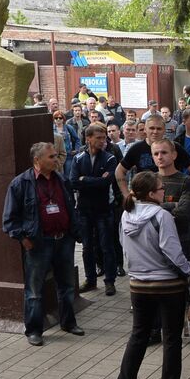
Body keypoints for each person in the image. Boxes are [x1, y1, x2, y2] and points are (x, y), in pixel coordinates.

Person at [111, 171, 190, 379]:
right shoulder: (161, 216)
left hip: (138, 285)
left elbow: (123, 245)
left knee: (138, 334)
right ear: (151, 194)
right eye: (161, 189)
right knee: (171, 338)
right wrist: (187, 269)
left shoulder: (126, 215)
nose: (164, 192)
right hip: (168, 286)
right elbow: (172, 250)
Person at [2, 142, 84, 347]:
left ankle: (68, 323)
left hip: (63, 240)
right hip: (39, 244)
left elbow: (70, 208)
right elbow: (9, 219)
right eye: (51, 157)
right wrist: (23, 239)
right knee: (34, 290)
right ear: (37, 160)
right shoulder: (20, 183)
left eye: (56, 156)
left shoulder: (61, 180)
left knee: (66, 286)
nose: (56, 160)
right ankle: (34, 330)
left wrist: (75, 232)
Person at [152, 138, 190, 353]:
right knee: (156, 289)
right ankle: (155, 330)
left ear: (174, 155)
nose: (160, 157)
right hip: (155, 245)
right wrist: (172, 206)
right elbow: (141, 210)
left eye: (164, 152)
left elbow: (184, 213)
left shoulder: (185, 181)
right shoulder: (149, 179)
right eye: (156, 153)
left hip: (182, 244)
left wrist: (158, 206)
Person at [70, 122, 122, 295]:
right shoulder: (78, 158)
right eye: (98, 138)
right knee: (87, 247)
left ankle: (110, 280)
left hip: (103, 209)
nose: (103, 141)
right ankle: (91, 280)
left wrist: (86, 180)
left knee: (106, 246)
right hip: (84, 210)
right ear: (88, 139)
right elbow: (73, 181)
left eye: (104, 137)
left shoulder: (109, 158)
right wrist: (91, 180)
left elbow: (106, 182)